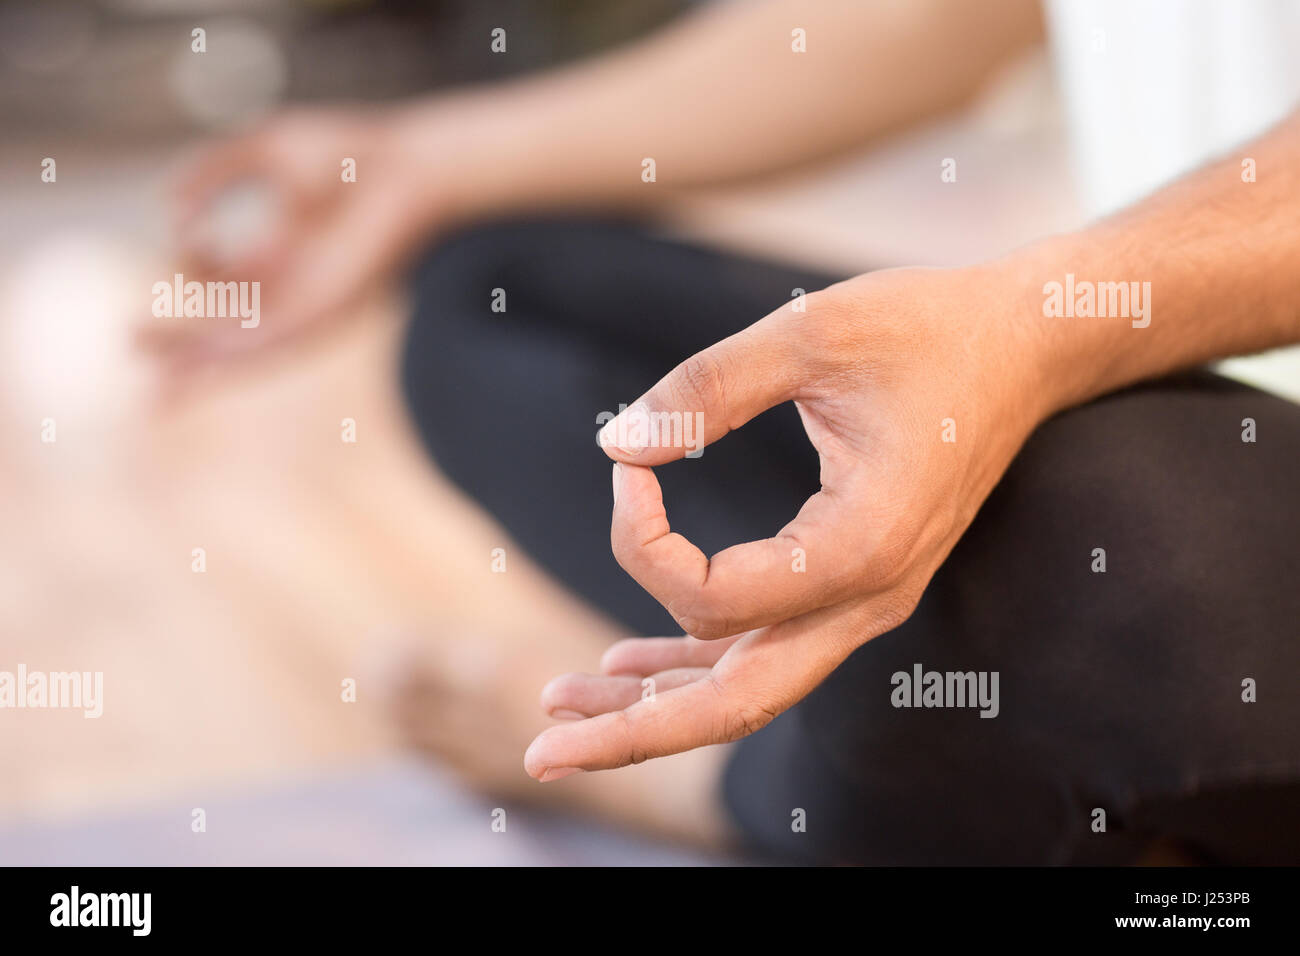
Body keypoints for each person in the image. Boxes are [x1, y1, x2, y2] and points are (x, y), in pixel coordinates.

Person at [144, 0, 1300, 864]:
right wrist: (420, 164)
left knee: (1116, 538)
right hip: (1169, 390)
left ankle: (736, 782)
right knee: (503, 303)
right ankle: (971, 756)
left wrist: (1030, 324)